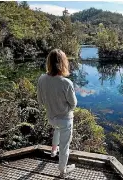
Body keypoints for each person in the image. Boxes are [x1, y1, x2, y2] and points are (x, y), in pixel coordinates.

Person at [37, 49, 77, 177]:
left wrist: (52, 106)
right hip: (65, 119)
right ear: (63, 63)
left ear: (49, 62)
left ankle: (54, 150)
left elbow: (40, 101)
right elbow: (73, 104)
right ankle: (62, 171)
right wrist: (64, 109)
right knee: (65, 146)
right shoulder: (66, 83)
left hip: (51, 118)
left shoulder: (42, 79)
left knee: (57, 129)